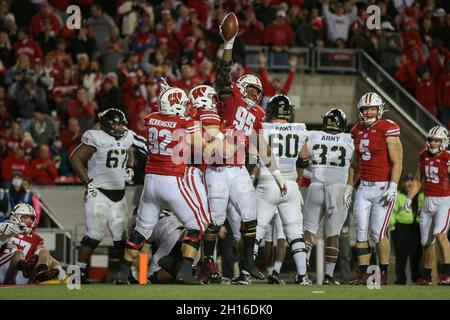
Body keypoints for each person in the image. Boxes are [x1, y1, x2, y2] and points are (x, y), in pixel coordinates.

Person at [202, 18, 287, 285]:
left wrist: (279, 176)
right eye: (249, 87)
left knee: (250, 214)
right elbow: (223, 74)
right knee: (215, 221)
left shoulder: (260, 113)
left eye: (257, 89)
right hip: (216, 167)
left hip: (238, 168)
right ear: (241, 87)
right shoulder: (231, 97)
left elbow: (261, 145)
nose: (253, 92)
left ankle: (247, 261)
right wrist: (229, 43)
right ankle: (207, 263)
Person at [115, 87, 214, 285]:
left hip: (150, 182)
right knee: (197, 226)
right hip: (172, 180)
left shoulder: (150, 118)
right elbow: (204, 147)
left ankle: (122, 274)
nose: (187, 106)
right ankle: (184, 271)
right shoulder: (186, 123)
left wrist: (167, 93)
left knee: (141, 231)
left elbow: (163, 114)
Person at [344, 92, 403, 285]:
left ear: (379, 110)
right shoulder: (356, 130)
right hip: (363, 188)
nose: (369, 112)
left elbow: (398, 162)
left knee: (377, 233)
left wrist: (393, 186)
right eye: (365, 108)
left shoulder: (388, 128)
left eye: (372, 108)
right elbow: (355, 163)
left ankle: (382, 275)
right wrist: (348, 187)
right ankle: (365, 276)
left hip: (382, 188)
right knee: (360, 232)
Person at [69, 108, 134, 284]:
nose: (121, 127)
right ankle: (79, 272)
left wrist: (129, 167)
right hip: (99, 193)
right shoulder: (96, 136)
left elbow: (128, 151)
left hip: (119, 195)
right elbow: (75, 158)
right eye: (117, 123)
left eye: (122, 123)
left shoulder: (127, 137)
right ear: (108, 124)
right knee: (94, 235)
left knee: (121, 237)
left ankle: (125, 273)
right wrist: (87, 182)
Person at [253, 94, 311, 285]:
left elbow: (254, 156)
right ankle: (303, 276)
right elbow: (304, 159)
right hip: (291, 185)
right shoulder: (299, 128)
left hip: (269, 182)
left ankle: (245, 273)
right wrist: (297, 182)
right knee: (295, 233)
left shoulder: (263, 128)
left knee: (256, 231)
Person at [303, 108, 354, 285]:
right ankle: (328, 276)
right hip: (339, 190)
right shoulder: (350, 139)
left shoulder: (313, 135)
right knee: (333, 234)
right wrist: (350, 186)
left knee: (309, 232)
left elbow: (301, 158)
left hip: (316, 186)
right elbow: (357, 165)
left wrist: (310, 174)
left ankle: (302, 274)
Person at [405, 126, 450, 285]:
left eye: (436, 140)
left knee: (440, 234)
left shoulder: (447, 157)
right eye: (431, 139)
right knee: (426, 241)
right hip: (428, 200)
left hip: (445, 200)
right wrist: (409, 198)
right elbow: (418, 180)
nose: (433, 142)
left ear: (443, 141)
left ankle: (446, 273)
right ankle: (427, 276)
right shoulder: (423, 155)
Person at [0, 203, 65, 284]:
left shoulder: (35, 238)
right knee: (18, 252)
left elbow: (48, 257)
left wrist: (58, 266)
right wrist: (5, 233)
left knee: (43, 251)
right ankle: (25, 266)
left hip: (22, 275)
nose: (29, 221)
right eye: (25, 217)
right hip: (2, 270)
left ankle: (40, 272)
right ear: (15, 216)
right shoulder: (5, 227)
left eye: (31, 218)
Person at [391, 173, 423, 285]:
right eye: (407, 181)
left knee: (417, 255)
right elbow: (392, 213)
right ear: (403, 183)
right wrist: (393, 227)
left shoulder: (420, 196)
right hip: (401, 229)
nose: (409, 183)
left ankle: (417, 278)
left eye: (411, 181)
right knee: (401, 256)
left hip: (416, 228)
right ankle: (400, 280)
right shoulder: (398, 196)